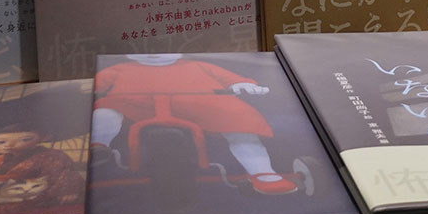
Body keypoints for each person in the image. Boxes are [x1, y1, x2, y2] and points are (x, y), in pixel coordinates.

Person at [91, 53, 298, 194]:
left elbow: (227, 78)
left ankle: (263, 172)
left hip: (202, 105)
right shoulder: (121, 68)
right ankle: (99, 145)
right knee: (105, 109)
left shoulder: (197, 65)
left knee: (239, 122)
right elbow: (99, 83)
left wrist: (242, 84)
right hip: (135, 105)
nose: (153, 55)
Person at [0, 124, 84, 205]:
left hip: (32, 195)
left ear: (41, 138)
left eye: (25, 139)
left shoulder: (51, 156)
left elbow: (62, 174)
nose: (9, 145)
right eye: (1, 142)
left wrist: (66, 191)